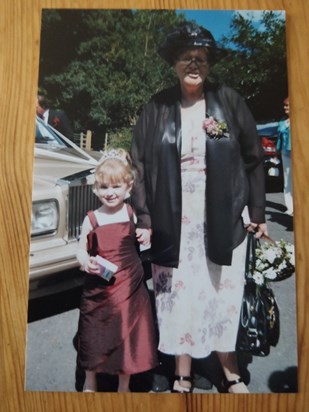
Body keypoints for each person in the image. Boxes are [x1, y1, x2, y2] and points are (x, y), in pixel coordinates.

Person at [130, 22, 268, 394]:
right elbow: (138, 164)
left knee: (221, 290)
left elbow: (253, 159)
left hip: (221, 216)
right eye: (187, 57)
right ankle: (182, 372)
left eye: (202, 59)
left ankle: (230, 370)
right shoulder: (157, 106)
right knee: (176, 294)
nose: (195, 64)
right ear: (174, 63)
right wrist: (143, 217)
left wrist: (257, 213)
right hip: (171, 218)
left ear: (209, 64)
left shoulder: (229, 101)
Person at [75, 148, 158, 392]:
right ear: (95, 189)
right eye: (104, 188)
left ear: (128, 187)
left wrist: (146, 234)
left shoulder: (132, 214)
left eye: (116, 187)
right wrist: (84, 260)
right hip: (99, 287)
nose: (110, 193)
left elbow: (146, 241)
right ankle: (90, 380)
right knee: (93, 333)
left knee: (126, 336)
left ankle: (124, 385)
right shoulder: (92, 218)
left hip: (129, 286)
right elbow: (81, 248)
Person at [276, 97, 293, 215]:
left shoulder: (301, 120)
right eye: (284, 105)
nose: (285, 108)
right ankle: (290, 206)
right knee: (288, 180)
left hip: (297, 154)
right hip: (285, 153)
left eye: (287, 105)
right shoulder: (283, 121)